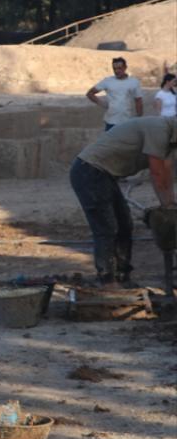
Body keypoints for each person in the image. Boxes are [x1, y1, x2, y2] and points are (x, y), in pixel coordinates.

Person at [69, 115, 177, 287]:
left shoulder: (170, 140)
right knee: (107, 227)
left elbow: (167, 171)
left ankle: (122, 276)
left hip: (105, 175)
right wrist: (166, 207)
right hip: (89, 171)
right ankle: (107, 280)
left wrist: (170, 204)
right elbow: (157, 173)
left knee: (125, 225)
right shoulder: (159, 129)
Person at [88, 57, 144, 131]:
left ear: (125, 68)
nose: (117, 71)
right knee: (110, 138)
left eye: (119, 68)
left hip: (126, 120)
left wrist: (139, 117)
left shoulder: (134, 82)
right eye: (114, 69)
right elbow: (90, 93)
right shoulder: (107, 81)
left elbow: (138, 100)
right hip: (111, 120)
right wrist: (103, 103)